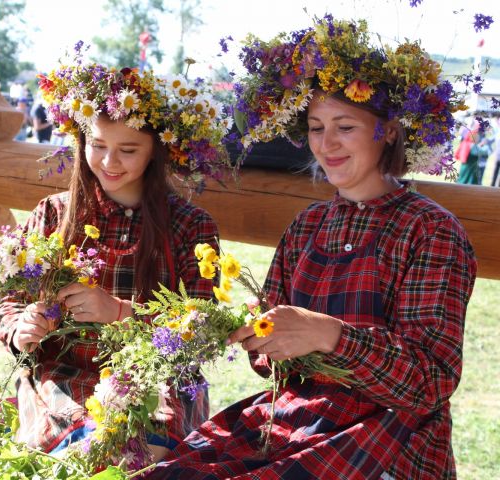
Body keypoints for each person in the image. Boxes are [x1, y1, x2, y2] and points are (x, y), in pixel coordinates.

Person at [148, 17, 477, 479]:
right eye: (317, 127)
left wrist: (330, 334)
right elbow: (269, 363)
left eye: (345, 126)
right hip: (295, 422)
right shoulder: (308, 225)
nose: (327, 144)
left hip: (391, 441)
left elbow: (430, 380)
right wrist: (255, 334)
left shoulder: (430, 230)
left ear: (388, 131)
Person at [0, 62, 234, 460]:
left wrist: (121, 312)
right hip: (63, 376)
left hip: (156, 380)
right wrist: (21, 327)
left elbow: (203, 329)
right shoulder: (53, 215)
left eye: (128, 150)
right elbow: (9, 303)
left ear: (156, 150)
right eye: (98, 145)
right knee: (80, 457)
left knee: (135, 459)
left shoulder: (191, 226)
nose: (109, 162)